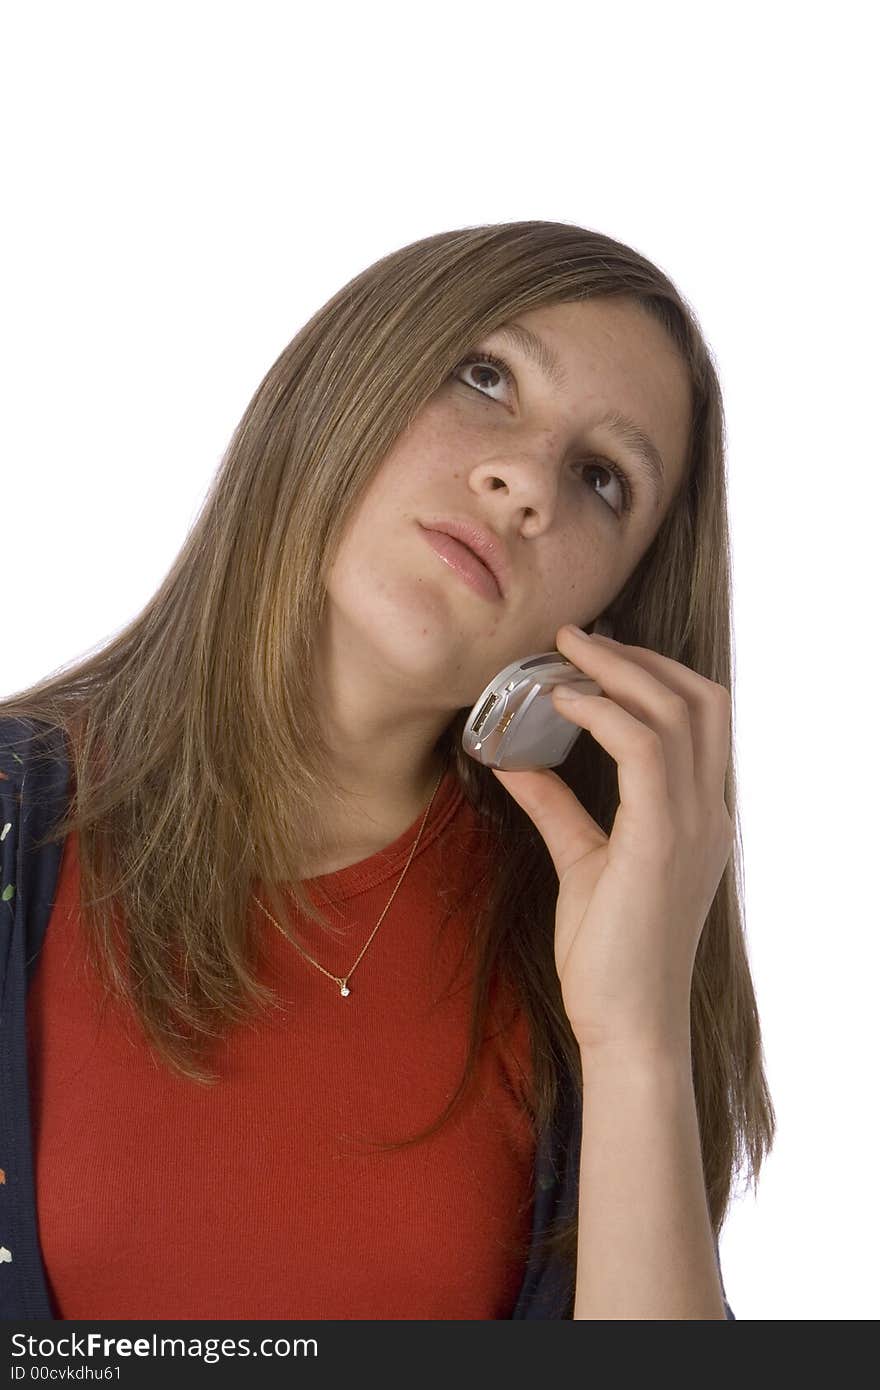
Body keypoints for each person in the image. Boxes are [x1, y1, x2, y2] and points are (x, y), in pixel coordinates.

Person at [0, 220, 773, 1320]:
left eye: (602, 479)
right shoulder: (16, 820)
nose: (524, 483)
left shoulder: (581, 947)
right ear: (347, 378)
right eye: (487, 376)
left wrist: (637, 1032)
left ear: (605, 613)